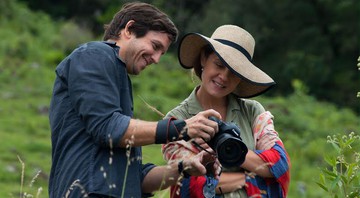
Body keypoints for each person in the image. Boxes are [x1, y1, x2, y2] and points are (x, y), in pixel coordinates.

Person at [48, 2, 223, 198]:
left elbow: (136, 179)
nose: (156, 59)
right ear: (129, 29)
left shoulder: (117, 77)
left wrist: (185, 168)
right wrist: (182, 129)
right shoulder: (95, 54)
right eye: (155, 46)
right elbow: (108, 127)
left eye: (162, 53)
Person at [162, 25, 290, 198]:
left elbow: (278, 164)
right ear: (203, 59)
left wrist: (229, 149)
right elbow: (189, 184)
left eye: (235, 72)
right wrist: (249, 176)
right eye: (219, 65)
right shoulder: (176, 120)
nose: (223, 76)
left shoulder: (252, 111)